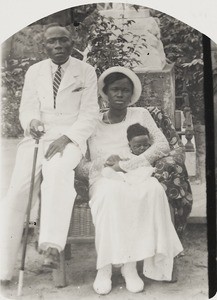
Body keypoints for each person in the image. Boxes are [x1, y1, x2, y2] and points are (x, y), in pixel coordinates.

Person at [0, 23, 98, 284]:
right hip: (38, 137)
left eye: (63, 41)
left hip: (70, 139)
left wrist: (67, 138)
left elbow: (90, 115)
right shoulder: (34, 72)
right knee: (17, 192)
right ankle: (3, 266)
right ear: (44, 45)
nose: (58, 46)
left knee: (57, 173)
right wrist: (31, 122)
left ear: (71, 41)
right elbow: (27, 109)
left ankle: (51, 246)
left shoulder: (86, 71)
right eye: (52, 42)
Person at [87, 66, 183, 295]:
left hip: (136, 172)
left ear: (132, 94)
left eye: (125, 91)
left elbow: (162, 145)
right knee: (110, 195)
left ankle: (130, 267)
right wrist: (105, 164)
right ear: (105, 93)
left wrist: (128, 165)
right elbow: (86, 160)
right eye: (115, 90)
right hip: (105, 176)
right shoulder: (92, 122)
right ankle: (105, 267)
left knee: (152, 190)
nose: (120, 95)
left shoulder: (141, 115)